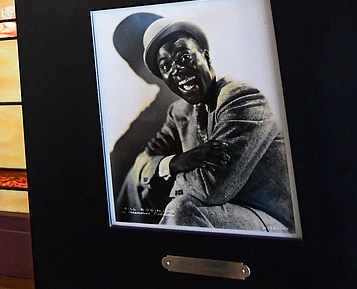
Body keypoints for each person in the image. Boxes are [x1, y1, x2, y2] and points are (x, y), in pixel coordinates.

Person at [119, 18, 294, 232]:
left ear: (206, 56)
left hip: (268, 219)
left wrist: (162, 179)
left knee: (182, 208)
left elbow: (213, 188)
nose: (177, 70)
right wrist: (173, 163)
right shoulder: (179, 111)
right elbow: (143, 162)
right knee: (136, 184)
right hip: (216, 212)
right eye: (166, 66)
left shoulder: (241, 98)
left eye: (184, 57)